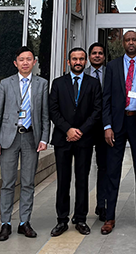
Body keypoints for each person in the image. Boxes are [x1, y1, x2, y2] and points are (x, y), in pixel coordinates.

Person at [101, 30, 136, 235]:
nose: (131, 43)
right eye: (127, 40)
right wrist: (107, 126)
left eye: (134, 40)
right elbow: (105, 99)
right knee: (112, 171)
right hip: (117, 123)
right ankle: (109, 218)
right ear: (123, 43)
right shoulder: (113, 66)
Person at [0, 46, 49, 241]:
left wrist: (44, 138)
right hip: (9, 138)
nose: (25, 62)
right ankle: (5, 223)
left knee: (28, 182)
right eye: (21, 59)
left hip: (31, 138)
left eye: (29, 59)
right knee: (7, 183)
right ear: (16, 63)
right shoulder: (5, 84)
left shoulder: (42, 84)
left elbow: (45, 115)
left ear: (34, 62)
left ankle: (24, 222)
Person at [48, 47, 102, 237]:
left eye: (81, 59)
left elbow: (97, 110)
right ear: (68, 61)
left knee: (82, 180)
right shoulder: (58, 83)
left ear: (85, 62)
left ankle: (80, 218)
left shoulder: (94, 84)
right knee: (63, 180)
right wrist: (68, 129)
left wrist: (80, 131)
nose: (78, 62)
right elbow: (53, 110)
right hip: (63, 139)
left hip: (84, 139)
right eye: (74, 59)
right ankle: (61, 220)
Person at [84, 42, 108, 221]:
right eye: (94, 53)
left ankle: (102, 205)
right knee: (82, 169)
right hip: (84, 129)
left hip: (104, 128)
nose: (97, 56)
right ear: (89, 57)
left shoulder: (112, 73)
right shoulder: (81, 75)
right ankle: (81, 208)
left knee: (103, 167)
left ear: (104, 56)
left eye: (100, 53)